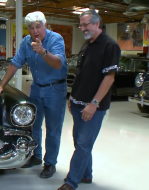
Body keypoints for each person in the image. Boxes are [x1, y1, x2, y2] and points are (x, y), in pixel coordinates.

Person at [0, 11, 68, 178]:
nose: (35, 31)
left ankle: (50, 163)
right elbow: (15, 63)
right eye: (31, 28)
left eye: (38, 27)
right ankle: (36, 156)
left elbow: (58, 63)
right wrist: (2, 85)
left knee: (53, 128)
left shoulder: (56, 39)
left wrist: (42, 51)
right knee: (33, 125)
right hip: (36, 88)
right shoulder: (26, 42)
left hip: (55, 89)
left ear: (45, 26)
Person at [58, 10, 120, 190]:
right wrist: (73, 98)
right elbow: (81, 75)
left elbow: (109, 78)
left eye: (85, 24)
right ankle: (86, 175)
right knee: (80, 142)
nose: (82, 28)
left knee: (83, 144)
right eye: (80, 25)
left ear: (97, 24)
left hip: (94, 107)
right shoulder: (86, 46)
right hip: (77, 103)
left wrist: (93, 104)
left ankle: (71, 182)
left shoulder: (110, 45)